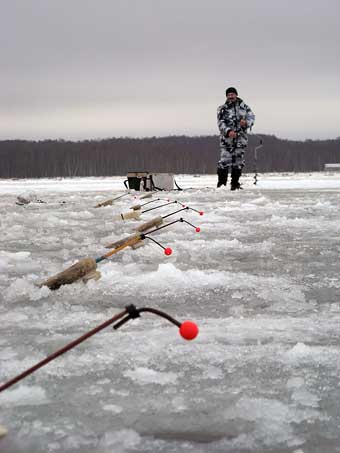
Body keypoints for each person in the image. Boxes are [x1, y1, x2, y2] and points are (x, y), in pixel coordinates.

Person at [217, 87, 255, 190]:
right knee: (224, 162)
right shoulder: (222, 108)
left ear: (236, 95)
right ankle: (221, 184)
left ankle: (235, 184)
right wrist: (228, 131)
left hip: (240, 140)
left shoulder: (245, 107)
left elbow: (251, 118)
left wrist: (246, 123)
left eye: (232, 94)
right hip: (227, 141)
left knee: (238, 163)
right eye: (228, 95)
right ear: (226, 96)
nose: (230, 96)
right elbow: (220, 123)